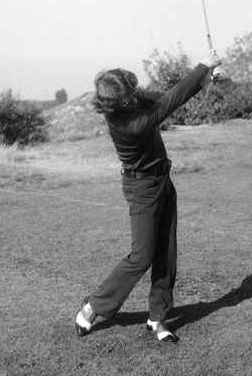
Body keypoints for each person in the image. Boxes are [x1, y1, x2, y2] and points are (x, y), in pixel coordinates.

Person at [75, 49, 222, 343]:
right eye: (127, 98)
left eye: (132, 92)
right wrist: (204, 64)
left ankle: (157, 318)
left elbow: (163, 96)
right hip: (142, 189)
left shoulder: (130, 103)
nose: (133, 98)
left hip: (162, 181)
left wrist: (204, 81)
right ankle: (93, 306)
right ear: (112, 103)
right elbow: (167, 104)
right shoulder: (129, 124)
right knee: (141, 257)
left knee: (166, 252)